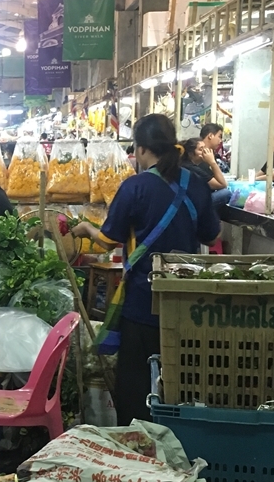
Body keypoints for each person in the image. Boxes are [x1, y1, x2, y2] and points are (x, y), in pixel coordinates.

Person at [71, 114, 220, 426]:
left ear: (140, 150)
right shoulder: (196, 183)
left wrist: (86, 228)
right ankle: (178, 438)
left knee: (138, 383)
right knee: (181, 377)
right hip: (186, 303)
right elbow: (211, 236)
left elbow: (109, 240)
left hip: (143, 301)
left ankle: (140, 446)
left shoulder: (134, 187)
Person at [180, 138, 229, 208]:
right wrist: (212, 162)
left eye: (205, 148)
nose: (205, 152)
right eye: (201, 149)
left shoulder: (186, 164)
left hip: (188, 200)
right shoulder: (191, 168)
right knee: (226, 193)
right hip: (191, 204)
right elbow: (222, 184)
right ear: (190, 154)